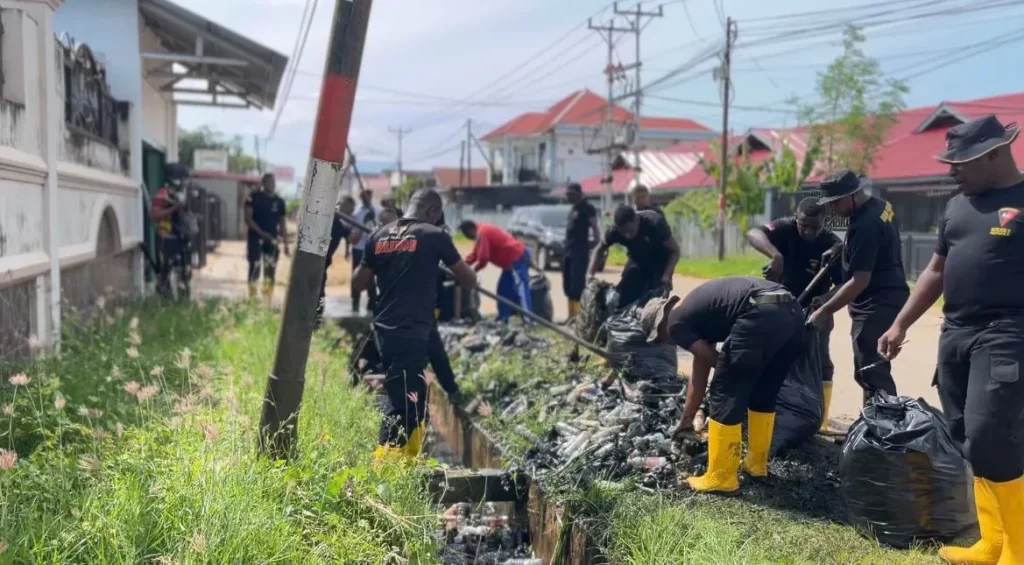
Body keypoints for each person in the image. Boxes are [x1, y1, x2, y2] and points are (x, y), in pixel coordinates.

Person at [878, 115, 1024, 565]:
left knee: (990, 436)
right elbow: (935, 270)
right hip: (956, 333)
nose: (951, 171)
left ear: (994, 154)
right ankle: (992, 543)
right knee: (965, 436)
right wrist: (901, 323)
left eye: (959, 162)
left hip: (1007, 334)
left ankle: (1018, 551)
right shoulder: (958, 207)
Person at [641, 277, 805, 495]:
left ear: (660, 323)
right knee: (764, 391)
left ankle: (721, 477)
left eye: (658, 338)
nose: (665, 342)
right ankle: (757, 465)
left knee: (724, 390)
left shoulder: (675, 323)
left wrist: (735, 377)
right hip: (792, 312)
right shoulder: (695, 313)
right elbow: (699, 372)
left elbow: (717, 363)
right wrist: (687, 419)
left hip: (760, 313)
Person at [353, 189, 476, 459]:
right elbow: (468, 279)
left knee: (409, 399)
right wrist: (438, 255)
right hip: (411, 330)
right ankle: (387, 467)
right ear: (432, 212)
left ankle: (403, 463)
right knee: (405, 405)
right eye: (437, 216)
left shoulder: (378, 235)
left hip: (385, 331)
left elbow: (358, 282)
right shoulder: (434, 235)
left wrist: (381, 256)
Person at [807, 170, 908, 403]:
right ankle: (873, 419)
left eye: (835, 202)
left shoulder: (864, 225)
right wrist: (840, 249)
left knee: (871, 371)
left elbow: (859, 281)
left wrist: (824, 311)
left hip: (876, 304)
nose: (831, 209)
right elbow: (874, 246)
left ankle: (884, 423)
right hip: (890, 294)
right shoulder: (880, 206)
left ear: (851, 195)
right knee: (869, 369)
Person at [746, 196, 843, 431]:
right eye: (803, 225)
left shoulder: (832, 244)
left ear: (825, 222)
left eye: (814, 227)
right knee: (772, 355)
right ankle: (770, 409)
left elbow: (844, 284)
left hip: (816, 308)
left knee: (821, 359)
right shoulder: (784, 228)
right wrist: (775, 255)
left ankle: (820, 420)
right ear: (795, 217)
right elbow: (752, 233)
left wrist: (825, 300)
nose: (808, 231)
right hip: (781, 303)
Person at [590, 206, 680, 309]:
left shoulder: (655, 223)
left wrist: (667, 275)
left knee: (654, 303)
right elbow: (599, 249)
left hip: (660, 261)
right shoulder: (614, 230)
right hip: (637, 259)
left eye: (630, 231)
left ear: (637, 221)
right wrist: (589, 274)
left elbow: (675, 251)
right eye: (623, 233)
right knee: (620, 299)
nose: (627, 236)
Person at [459, 220, 533, 322]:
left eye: (465, 234)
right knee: (503, 290)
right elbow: (474, 255)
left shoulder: (482, 232)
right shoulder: (481, 232)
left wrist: (473, 271)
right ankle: (503, 317)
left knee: (521, 289)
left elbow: (484, 258)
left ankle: (528, 320)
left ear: (470, 230)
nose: (466, 237)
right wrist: (460, 266)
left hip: (517, 258)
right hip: (508, 264)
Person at [244, 173, 289, 303]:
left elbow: (282, 224)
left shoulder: (279, 202)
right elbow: (248, 219)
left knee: (270, 271)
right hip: (255, 238)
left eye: (273, 182)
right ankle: (252, 299)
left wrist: (286, 243)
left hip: (272, 241)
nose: (272, 184)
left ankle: (267, 300)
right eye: (269, 182)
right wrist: (262, 233)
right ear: (263, 183)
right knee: (255, 268)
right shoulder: (253, 197)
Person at [150, 163, 192, 298]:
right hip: (166, 239)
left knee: (184, 273)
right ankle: (165, 302)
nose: (186, 182)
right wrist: (175, 207)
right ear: (176, 179)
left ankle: (183, 302)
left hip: (180, 239)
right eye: (184, 178)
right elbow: (155, 215)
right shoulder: (162, 195)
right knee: (165, 273)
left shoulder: (181, 195)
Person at [315, 195, 357, 327]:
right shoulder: (326, 216)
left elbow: (352, 239)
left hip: (325, 261)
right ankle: (311, 317)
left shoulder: (342, 225)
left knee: (320, 289)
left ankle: (317, 318)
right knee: (314, 288)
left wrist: (363, 227)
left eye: (352, 209)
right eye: (349, 208)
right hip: (314, 258)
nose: (350, 211)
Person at [563, 182, 601, 320]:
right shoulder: (573, 209)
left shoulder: (588, 208)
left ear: (579, 194)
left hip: (579, 254)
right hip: (568, 252)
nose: (568, 197)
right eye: (567, 194)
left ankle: (578, 319)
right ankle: (571, 316)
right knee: (567, 286)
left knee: (577, 287)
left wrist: (599, 249)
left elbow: (595, 228)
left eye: (571, 194)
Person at [350, 189, 379, 313]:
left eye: (369, 195)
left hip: (373, 249)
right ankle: (355, 303)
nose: (367, 197)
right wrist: (364, 222)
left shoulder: (377, 211)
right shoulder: (356, 214)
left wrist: (374, 222)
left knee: (372, 278)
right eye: (364, 195)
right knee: (357, 276)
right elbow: (353, 237)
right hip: (359, 249)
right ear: (361, 197)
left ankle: (372, 305)